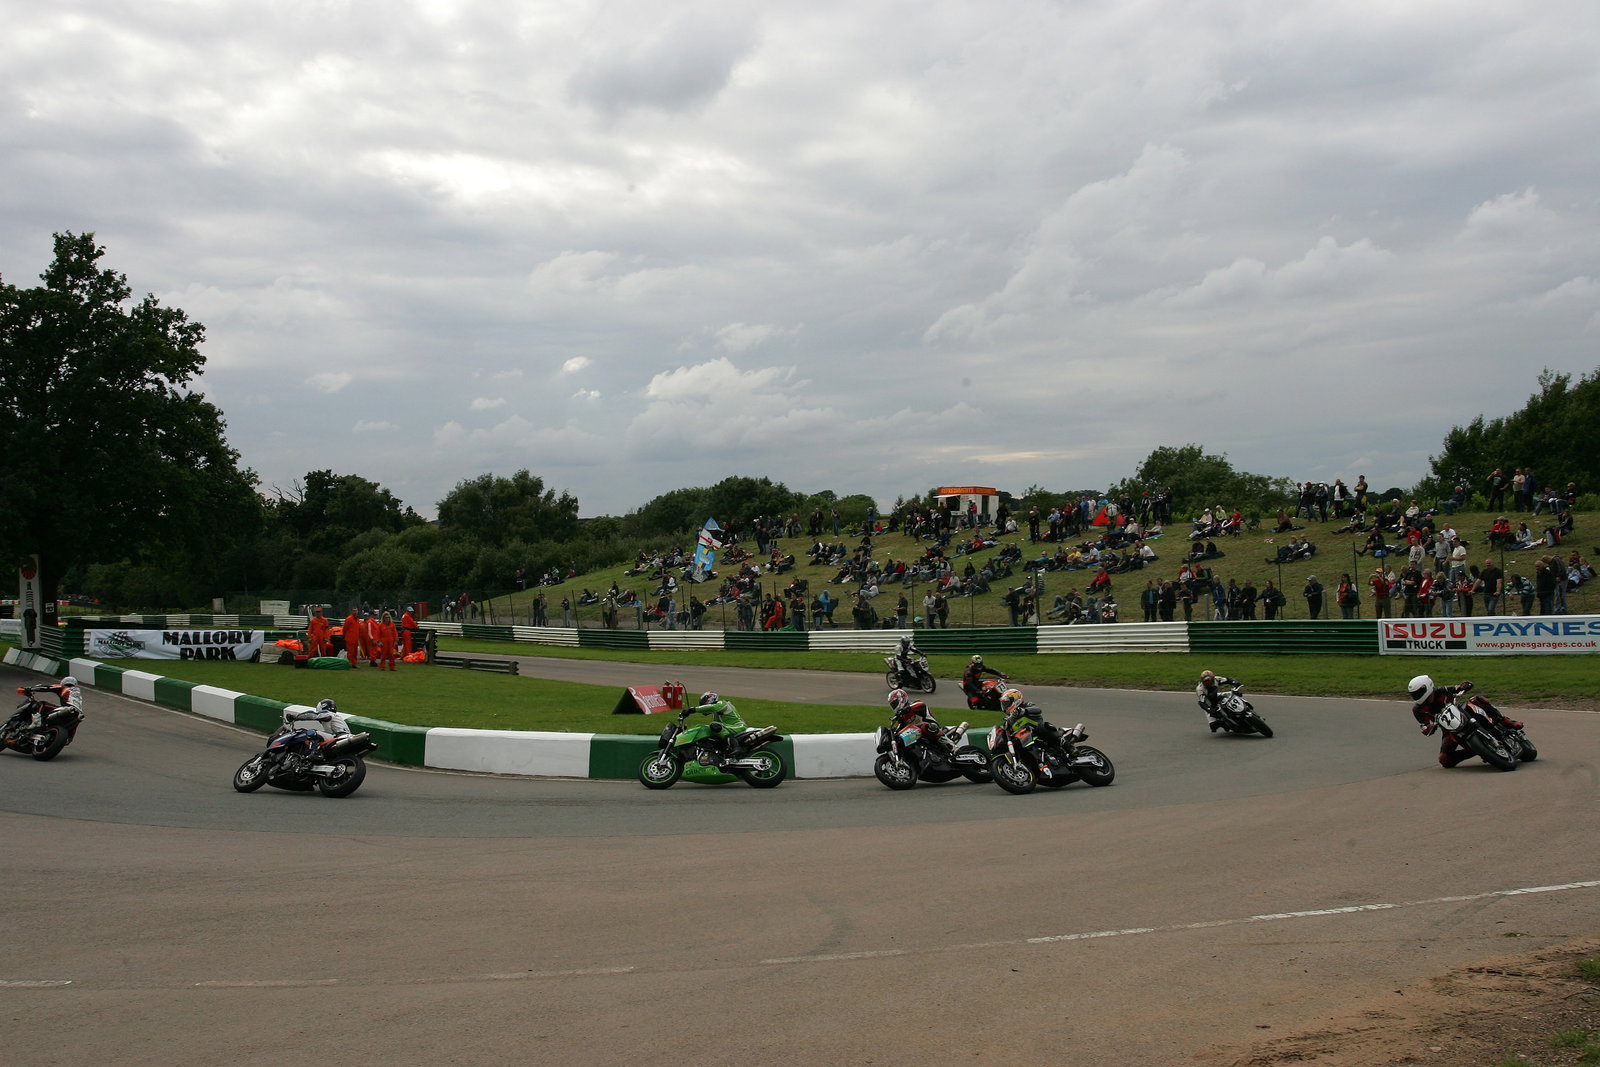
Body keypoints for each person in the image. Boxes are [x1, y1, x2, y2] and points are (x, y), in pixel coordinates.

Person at [1407, 675, 1522, 768]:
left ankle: (1504, 721)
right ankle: (1479, 750)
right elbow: (1424, 725)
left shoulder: (1441, 691)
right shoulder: (1418, 710)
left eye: (1418, 693)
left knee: (1476, 700)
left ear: (1427, 688)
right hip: (1449, 730)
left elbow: (1457, 687)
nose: (1416, 696)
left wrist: (1464, 686)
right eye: (1414, 694)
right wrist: (1428, 728)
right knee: (1444, 759)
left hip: (1463, 712)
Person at [690, 691, 748, 761]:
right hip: (730, 727)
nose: (703, 706)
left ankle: (736, 747)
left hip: (739, 726)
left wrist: (693, 710)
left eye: (704, 704)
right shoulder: (716, 711)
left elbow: (712, 707)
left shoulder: (722, 704)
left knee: (715, 725)